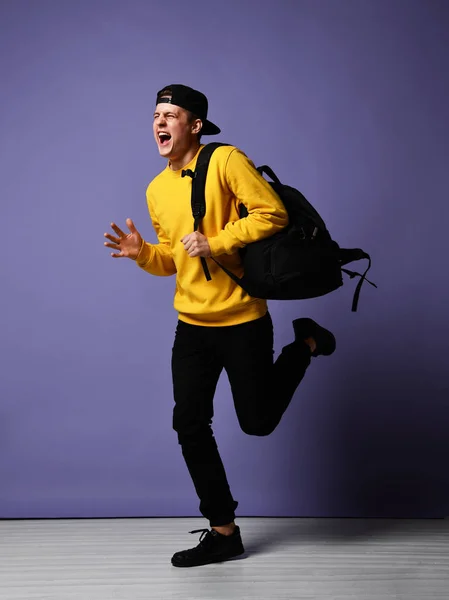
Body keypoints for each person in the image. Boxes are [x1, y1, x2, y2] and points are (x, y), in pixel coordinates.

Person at [104, 84, 336, 568]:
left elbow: (272, 213)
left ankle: (307, 342)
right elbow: (173, 260)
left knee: (257, 423)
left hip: (242, 318)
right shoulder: (155, 188)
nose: (160, 123)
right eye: (155, 115)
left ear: (195, 125)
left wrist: (218, 241)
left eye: (171, 115)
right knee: (188, 421)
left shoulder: (227, 160)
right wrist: (142, 253)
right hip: (191, 324)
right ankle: (224, 531)